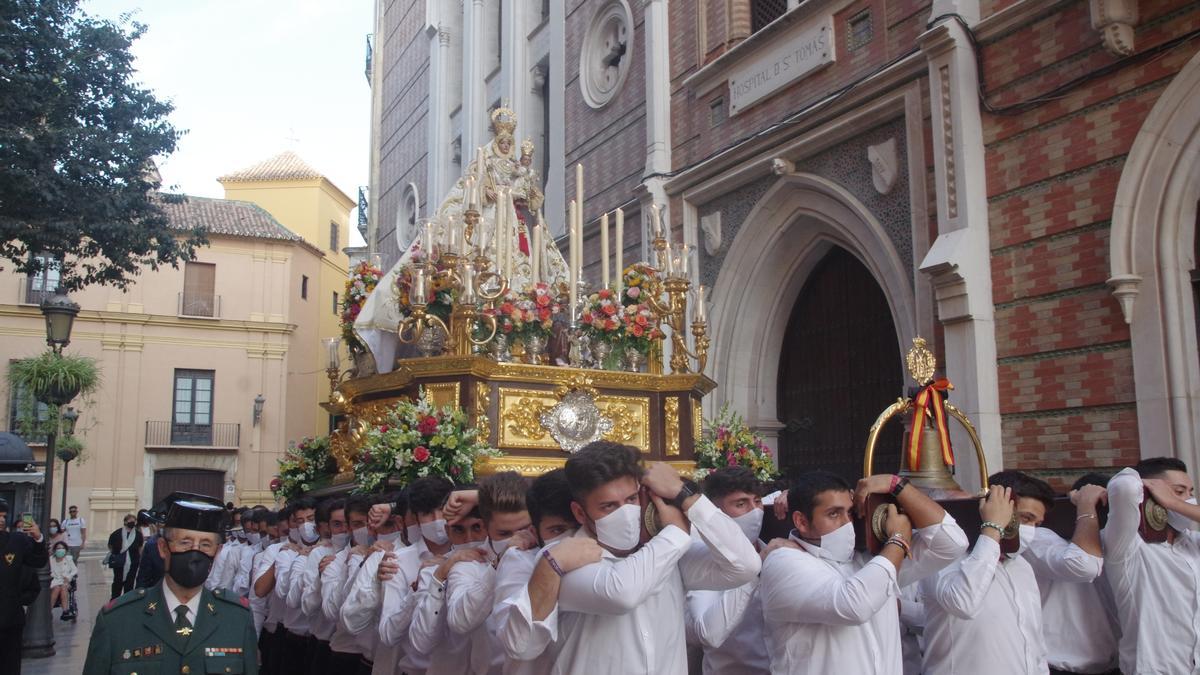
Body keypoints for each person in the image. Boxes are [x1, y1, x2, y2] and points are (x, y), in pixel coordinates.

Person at [537, 441, 761, 674]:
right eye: (608, 506)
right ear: (580, 513)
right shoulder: (559, 559)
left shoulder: (669, 554)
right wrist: (676, 531)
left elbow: (745, 565)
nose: (625, 512)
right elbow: (620, 593)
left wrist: (686, 496)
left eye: (632, 499)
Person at [760, 471, 966, 674]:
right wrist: (899, 539)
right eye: (834, 514)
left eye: (850, 512)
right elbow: (853, 605)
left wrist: (897, 485)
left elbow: (951, 543)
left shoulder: (869, 559)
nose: (847, 523)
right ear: (802, 522)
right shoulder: (783, 561)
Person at [920, 471, 1101, 674]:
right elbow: (963, 602)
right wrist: (992, 529)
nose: (1030, 530)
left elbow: (1034, 645)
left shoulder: (1022, 568)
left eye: (1037, 524)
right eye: (1025, 518)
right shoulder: (944, 558)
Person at [82, 492, 258, 675]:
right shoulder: (117, 620)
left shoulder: (237, 619)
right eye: (185, 542)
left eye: (206, 545)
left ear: (218, 551)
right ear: (163, 548)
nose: (195, 552)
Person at [1105, 456, 1200, 674]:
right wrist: (1145, 487)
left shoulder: (1193, 542)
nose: (1190, 499)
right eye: (1179, 491)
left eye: (1191, 492)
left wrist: (1174, 502)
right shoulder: (1129, 546)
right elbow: (1124, 487)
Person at [685, 467, 772, 675]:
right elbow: (706, 633)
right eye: (741, 504)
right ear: (716, 513)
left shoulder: (775, 546)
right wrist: (753, 572)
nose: (755, 511)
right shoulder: (703, 561)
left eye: (758, 501)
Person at [1033, 474, 1118, 675]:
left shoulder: (1116, 542)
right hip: (1060, 666)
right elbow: (1081, 565)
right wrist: (1087, 506)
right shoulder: (1040, 537)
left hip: (1112, 665)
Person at [0, 498, 47, 674]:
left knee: (10, 666)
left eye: (3, 516)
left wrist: (38, 538)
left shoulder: (16, 541)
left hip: (11, 619)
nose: (1, 520)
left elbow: (38, 560)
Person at [106, 512, 143, 599]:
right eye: (131, 521)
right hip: (119, 563)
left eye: (134, 521)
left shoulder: (138, 535)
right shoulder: (116, 534)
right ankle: (115, 601)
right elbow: (110, 546)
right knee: (117, 582)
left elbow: (140, 548)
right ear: (125, 522)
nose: (133, 523)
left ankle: (127, 600)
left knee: (130, 583)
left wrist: (140, 560)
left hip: (133, 562)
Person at [49, 540, 78, 620]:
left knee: (63, 587)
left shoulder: (68, 559)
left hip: (65, 581)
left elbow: (74, 570)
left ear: (65, 550)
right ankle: (49, 611)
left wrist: (68, 577)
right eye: (58, 548)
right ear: (55, 550)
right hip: (54, 581)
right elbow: (49, 572)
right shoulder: (51, 560)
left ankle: (65, 611)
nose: (60, 550)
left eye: (62, 548)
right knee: (57, 588)